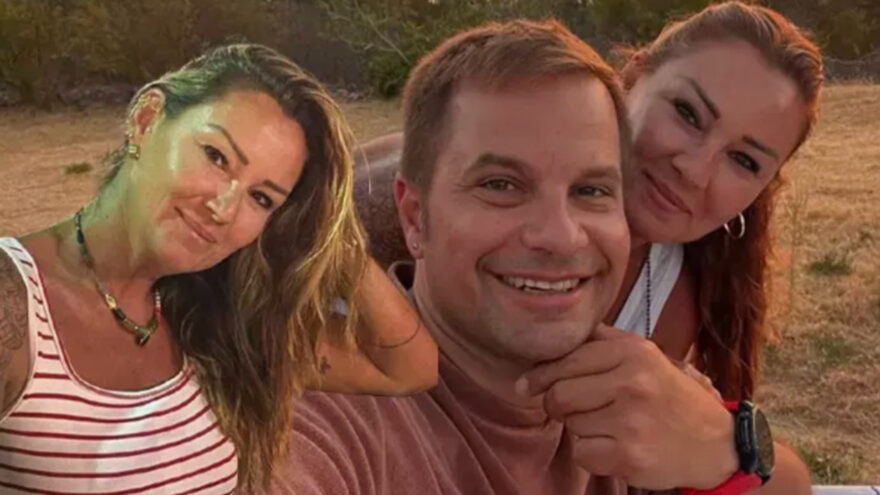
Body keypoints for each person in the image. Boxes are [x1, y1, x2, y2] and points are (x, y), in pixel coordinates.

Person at [271, 17, 811, 495]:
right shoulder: (367, 228)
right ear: (636, 77)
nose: (693, 170)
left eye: (592, 190)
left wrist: (722, 445)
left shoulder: (676, 286)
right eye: (687, 114)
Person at [0, 44, 437, 494]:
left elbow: (408, 368)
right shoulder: (15, 302)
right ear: (147, 120)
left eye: (261, 198)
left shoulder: (216, 324)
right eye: (216, 156)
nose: (223, 209)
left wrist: (330, 229)